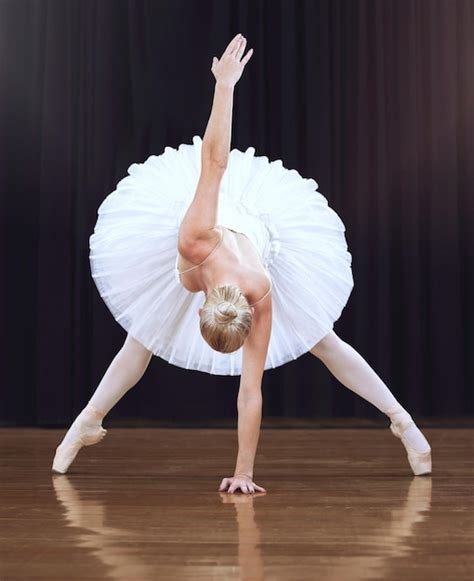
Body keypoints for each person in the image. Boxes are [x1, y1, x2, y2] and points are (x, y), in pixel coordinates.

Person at [52, 33, 432, 490]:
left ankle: (403, 423)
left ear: (227, 313)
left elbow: (249, 392)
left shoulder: (260, 289)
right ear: (202, 307)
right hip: (222, 232)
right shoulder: (194, 238)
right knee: (143, 337)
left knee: (322, 341)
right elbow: (212, 163)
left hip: (260, 240)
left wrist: (244, 474)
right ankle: (82, 427)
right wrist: (224, 86)